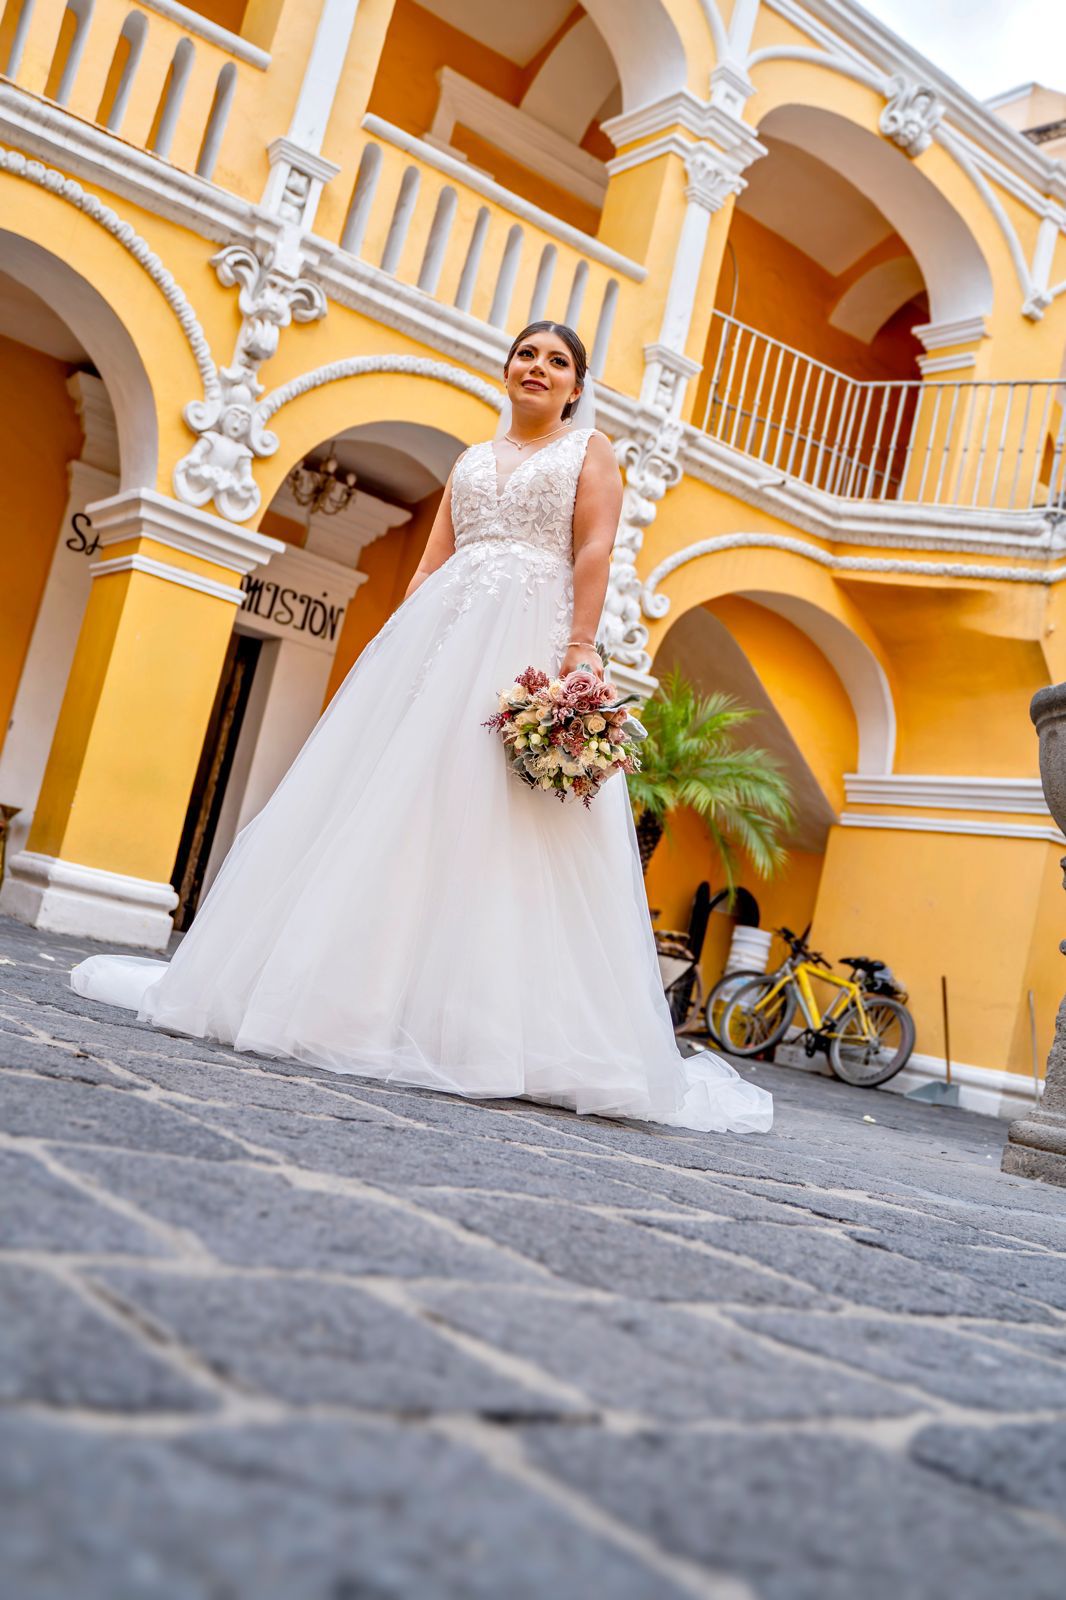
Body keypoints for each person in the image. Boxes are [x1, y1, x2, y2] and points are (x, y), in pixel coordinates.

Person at [70, 323, 772, 1134]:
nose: (536, 369)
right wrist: (399, 652)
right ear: (506, 368)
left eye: (557, 362)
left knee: (499, 809)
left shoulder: (593, 452)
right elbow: (431, 562)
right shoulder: (469, 460)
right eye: (526, 355)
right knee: (401, 801)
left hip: (527, 638)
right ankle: (357, 997)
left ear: (576, 387)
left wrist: (579, 650)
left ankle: (502, 1026)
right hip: (445, 637)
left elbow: (595, 550)